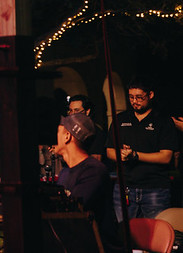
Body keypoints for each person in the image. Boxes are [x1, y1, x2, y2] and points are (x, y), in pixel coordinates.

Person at [106, 77, 176, 221]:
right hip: (124, 188)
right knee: (126, 235)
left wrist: (136, 155)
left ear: (150, 95)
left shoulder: (163, 121)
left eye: (139, 97)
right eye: (131, 97)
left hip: (155, 189)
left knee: (156, 236)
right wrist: (122, 155)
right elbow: (109, 151)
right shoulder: (120, 119)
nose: (134, 101)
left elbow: (166, 156)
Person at [54, 113, 120, 252]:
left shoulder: (94, 171)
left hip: (95, 247)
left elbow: (73, 212)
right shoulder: (65, 172)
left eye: (58, 131)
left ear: (67, 136)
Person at [67, 94, 107, 161]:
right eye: (71, 110)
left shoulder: (96, 132)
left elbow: (96, 160)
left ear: (87, 111)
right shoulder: (68, 130)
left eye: (77, 110)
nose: (73, 114)